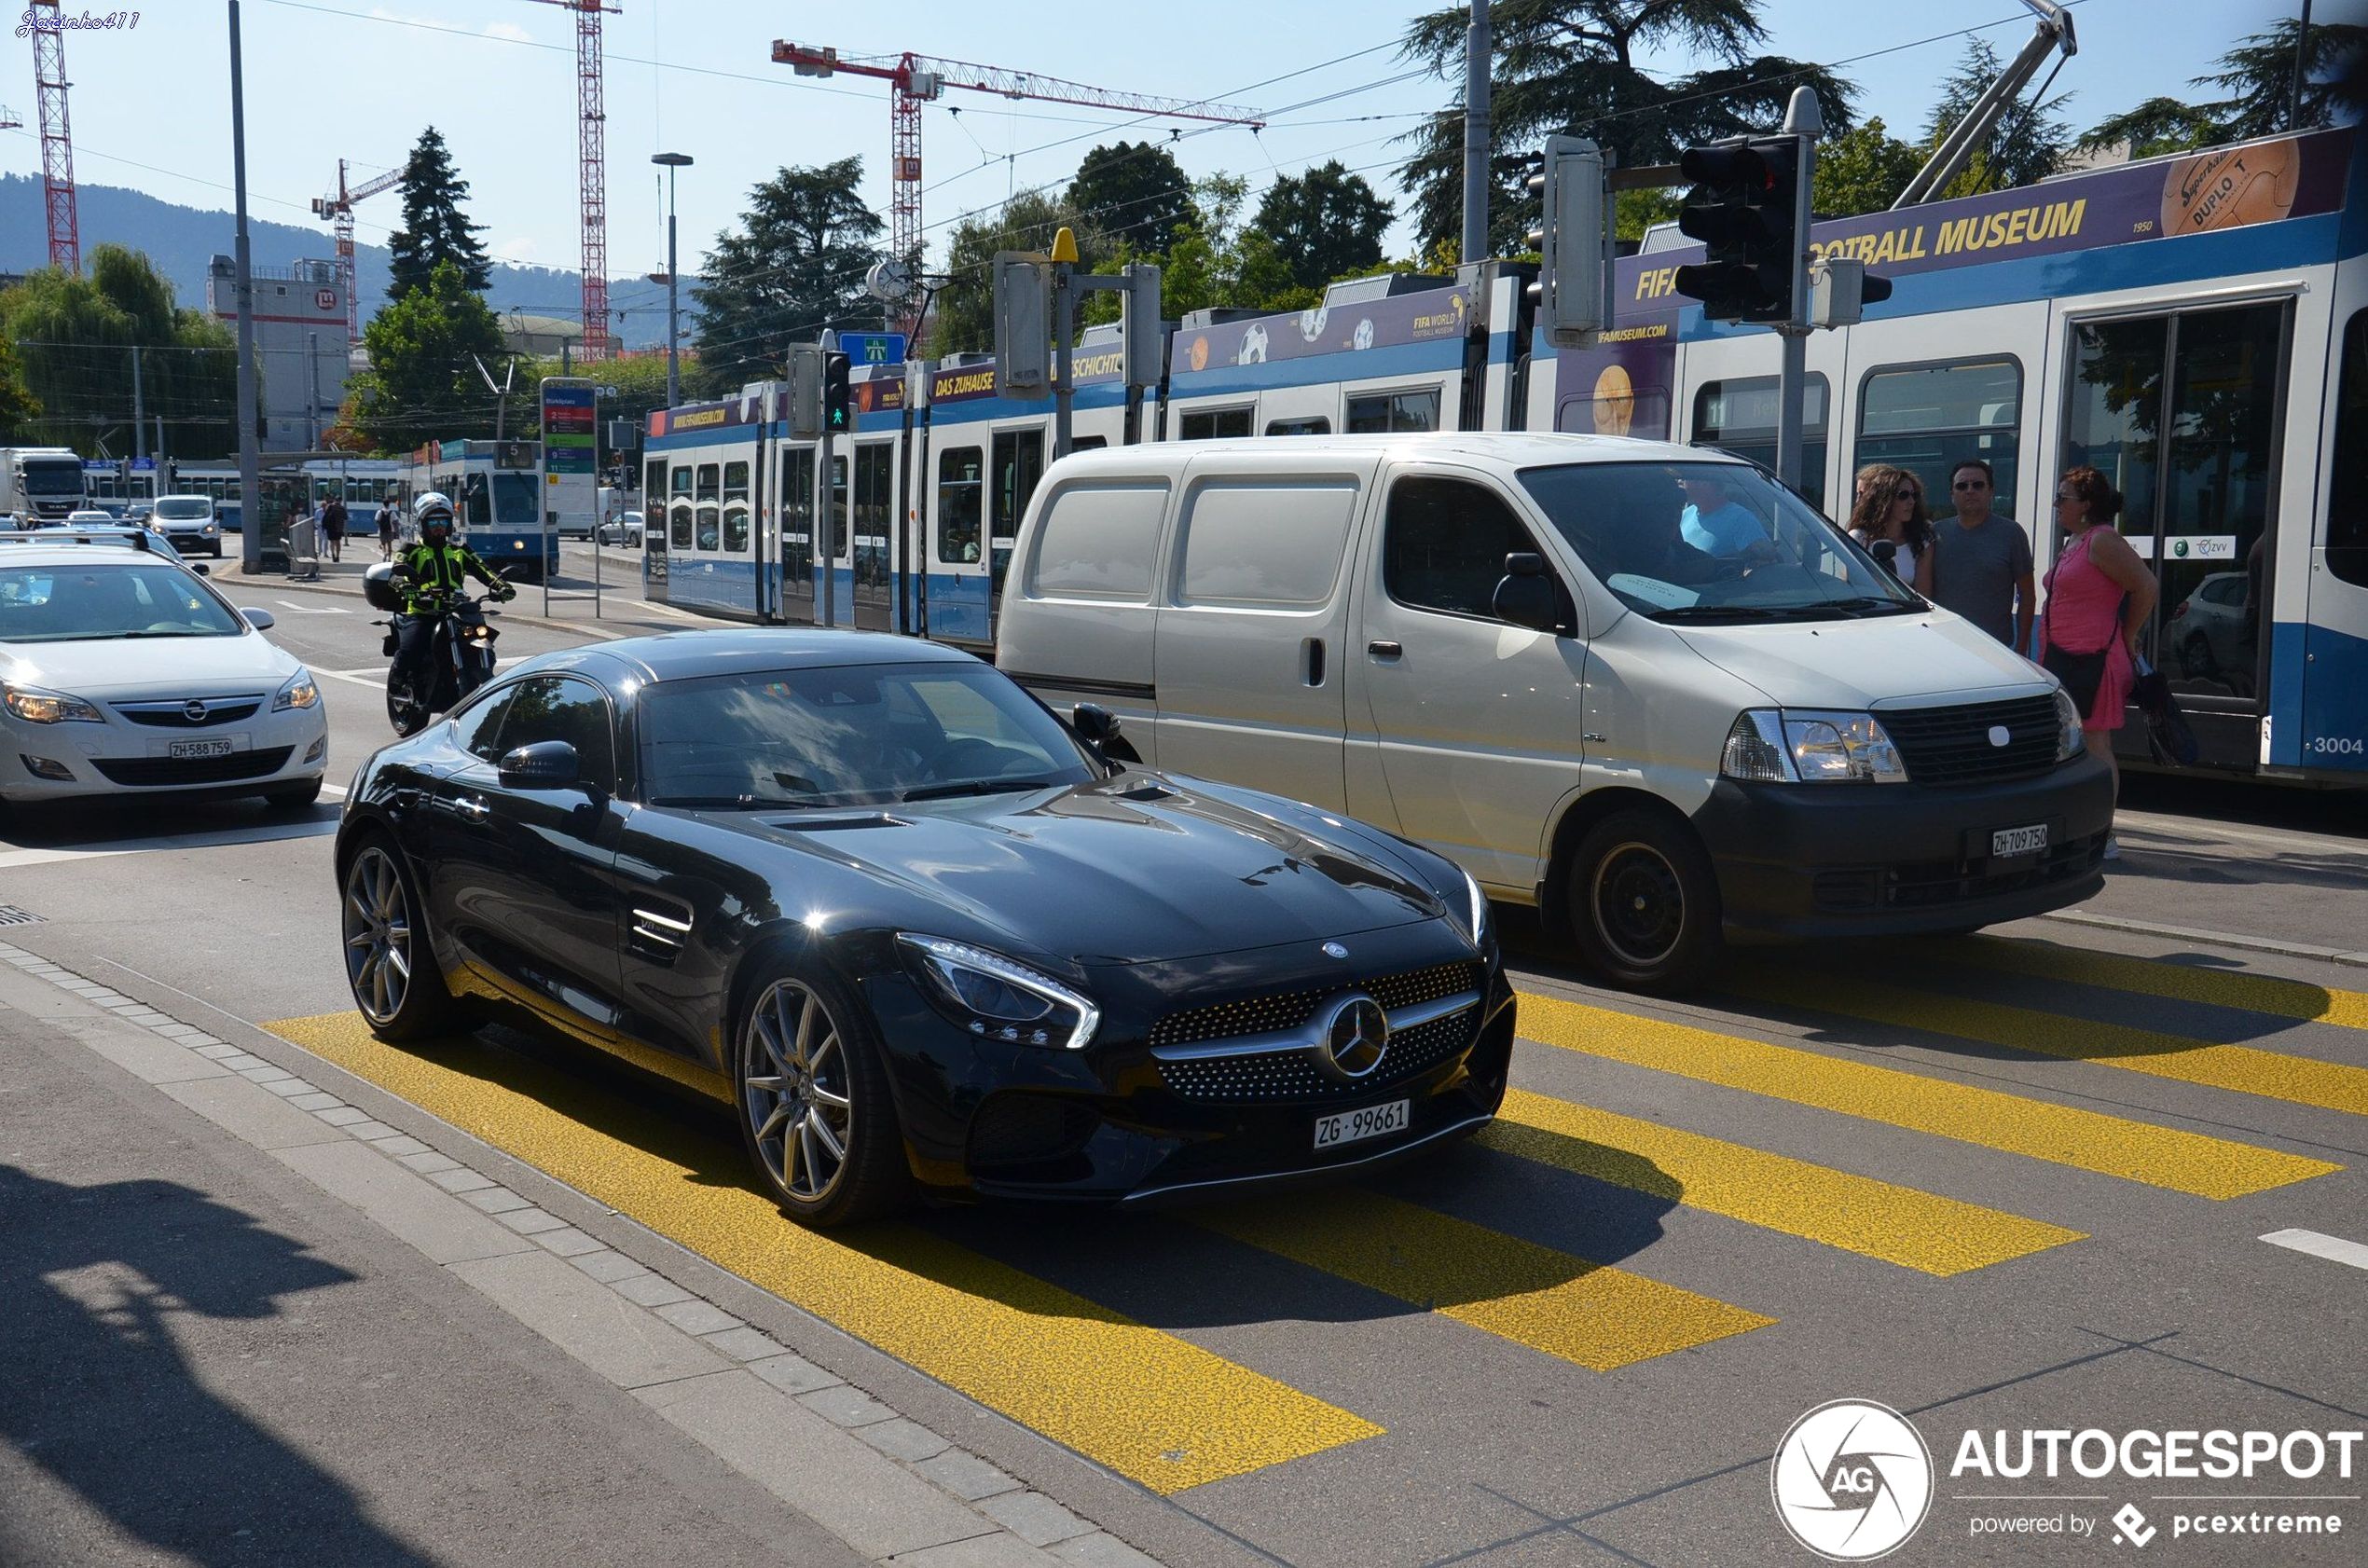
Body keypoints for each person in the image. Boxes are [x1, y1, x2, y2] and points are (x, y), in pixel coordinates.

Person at [2039, 466, 2155, 860]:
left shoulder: (2102, 540)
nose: (2056, 505)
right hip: (2063, 657)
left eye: (2063, 498)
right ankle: (2073, 828)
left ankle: (2103, 834)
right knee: (2068, 746)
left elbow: (2147, 586)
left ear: (2085, 504)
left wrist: (2127, 633)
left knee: (2096, 744)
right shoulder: (2076, 541)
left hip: (2096, 658)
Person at [390, 492, 515, 705]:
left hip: (458, 611)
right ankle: (398, 686)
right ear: (423, 524)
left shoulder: (460, 551)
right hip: (423, 611)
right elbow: (395, 573)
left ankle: (482, 680)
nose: (439, 526)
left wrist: (501, 586)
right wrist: (405, 585)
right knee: (411, 649)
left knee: (483, 637)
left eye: (444, 521)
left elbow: (483, 570)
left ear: (450, 525)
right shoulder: (411, 550)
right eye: (434, 522)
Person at [1928, 459, 2035, 650]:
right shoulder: (1935, 534)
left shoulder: (2012, 533)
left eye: (1977, 485)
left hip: (1996, 649)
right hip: (1943, 646)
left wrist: (2021, 647)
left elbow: (2027, 594)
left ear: (1991, 492)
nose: (1970, 490)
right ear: (1952, 494)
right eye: (1962, 486)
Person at [1847, 465, 1935, 597]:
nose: (1911, 501)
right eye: (1903, 495)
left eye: (1914, 495)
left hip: (1909, 614)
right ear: (1883, 499)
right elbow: (1853, 588)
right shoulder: (1858, 538)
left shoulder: (1922, 540)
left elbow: (1924, 596)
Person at [1678, 471, 1767, 557]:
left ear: (1704, 482)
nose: (1680, 481)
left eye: (1685, 478)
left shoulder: (1742, 520)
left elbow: (1764, 561)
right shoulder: (1685, 514)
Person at [319, 492, 348, 563]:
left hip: (330, 527)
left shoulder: (329, 506)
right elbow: (346, 517)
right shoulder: (342, 508)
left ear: (335, 500)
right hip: (339, 527)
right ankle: (338, 556)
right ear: (341, 501)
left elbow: (325, 516)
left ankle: (333, 554)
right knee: (338, 542)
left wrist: (323, 526)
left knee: (331, 542)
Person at [375, 496, 398, 561]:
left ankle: (385, 553)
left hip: (382, 531)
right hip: (390, 530)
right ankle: (389, 559)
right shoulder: (392, 512)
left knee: (383, 544)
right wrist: (396, 531)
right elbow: (396, 521)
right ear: (389, 504)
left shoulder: (379, 512)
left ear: (383, 504)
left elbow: (376, 520)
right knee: (390, 545)